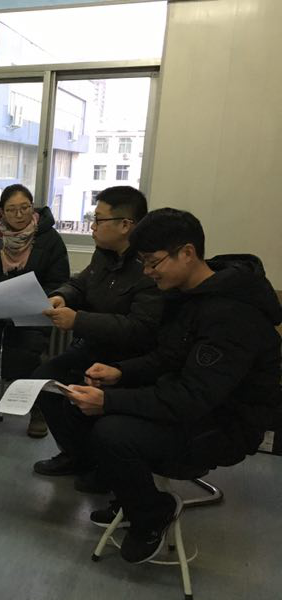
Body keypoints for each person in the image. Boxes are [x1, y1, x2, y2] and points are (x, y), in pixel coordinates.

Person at [60, 208, 281, 564]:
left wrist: (109, 401)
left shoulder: (232, 315)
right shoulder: (189, 295)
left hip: (224, 425)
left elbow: (192, 397)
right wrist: (119, 373)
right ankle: (133, 497)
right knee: (80, 407)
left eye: (153, 262)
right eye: (144, 263)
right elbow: (167, 358)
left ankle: (152, 513)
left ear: (187, 253)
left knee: (113, 433)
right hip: (193, 404)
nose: (148, 272)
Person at [31, 186, 164, 492]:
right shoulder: (104, 255)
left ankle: (107, 465)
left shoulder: (149, 267)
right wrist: (62, 297)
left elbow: (140, 328)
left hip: (130, 361)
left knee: (92, 400)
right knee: (44, 380)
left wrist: (78, 320)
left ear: (125, 225)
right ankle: (77, 454)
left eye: (99, 220)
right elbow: (81, 284)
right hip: (93, 347)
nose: (92, 226)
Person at [0, 184, 70, 432]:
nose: (19, 215)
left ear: (33, 208)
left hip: (33, 313)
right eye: (11, 210)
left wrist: (35, 300)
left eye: (25, 208)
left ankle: (37, 407)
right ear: (1, 211)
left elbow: (59, 282)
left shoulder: (50, 239)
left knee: (31, 353)